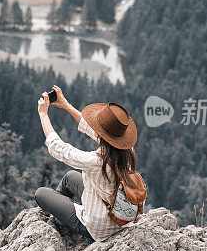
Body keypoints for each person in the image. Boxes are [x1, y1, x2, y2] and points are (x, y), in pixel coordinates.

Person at [35, 86, 147, 241]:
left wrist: (43, 114)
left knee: (41, 193)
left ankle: (62, 216)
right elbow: (95, 132)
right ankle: (60, 209)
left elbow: (58, 148)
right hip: (117, 213)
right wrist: (66, 105)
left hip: (99, 227)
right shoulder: (127, 151)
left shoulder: (95, 162)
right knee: (70, 177)